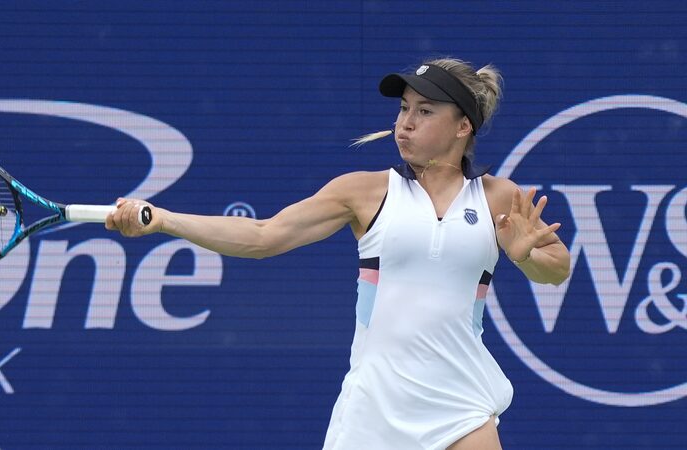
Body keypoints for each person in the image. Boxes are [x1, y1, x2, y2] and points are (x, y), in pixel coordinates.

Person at [106, 57, 571, 450]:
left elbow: (556, 270)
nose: (405, 123)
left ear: (463, 126)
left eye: (425, 112)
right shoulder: (364, 192)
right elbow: (263, 236)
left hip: (462, 406)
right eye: (404, 109)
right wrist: (166, 219)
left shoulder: (496, 197)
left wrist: (525, 256)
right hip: (373, 410)